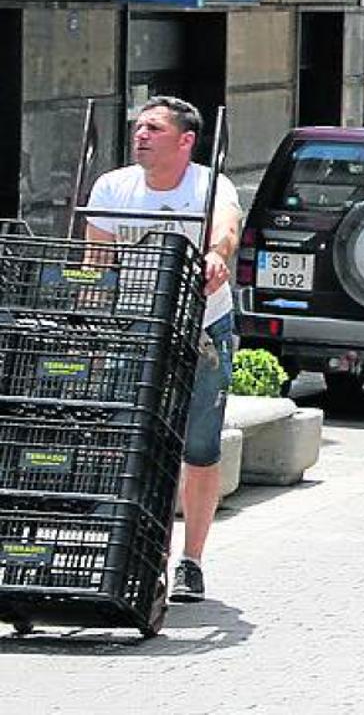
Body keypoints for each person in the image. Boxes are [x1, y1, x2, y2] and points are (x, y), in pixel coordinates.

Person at [86, 96, 244, 603]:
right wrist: (92, 320)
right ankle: (126, 546)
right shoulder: (114, 186)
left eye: (153, 128)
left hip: (202, 328)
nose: (140, 135)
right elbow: (96, 263)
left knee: (198, 447)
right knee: (127, 438)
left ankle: (191, 560)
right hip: (136, 329)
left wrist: (216, 258)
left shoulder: (209, 186)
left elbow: (226, 229)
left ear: (185, 140)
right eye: (137, 127)